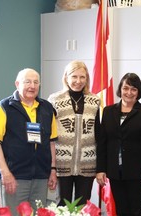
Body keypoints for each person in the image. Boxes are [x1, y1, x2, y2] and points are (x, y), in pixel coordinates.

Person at [0, 68, 58, 215]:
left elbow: (51, 142)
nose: (32, 86)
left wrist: (52, 170)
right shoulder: (5, 107)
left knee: (39, 213)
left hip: (41, 176)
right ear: (17, 84)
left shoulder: (47, 108)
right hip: (15, 177)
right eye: (27, 82)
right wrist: (5, 173)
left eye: (36, 82)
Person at [96, 73, 141, 216]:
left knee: (137, 210)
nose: (129, 92)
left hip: (138, 173)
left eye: (133, 89)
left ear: (138, 92)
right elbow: (103, 142)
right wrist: (100, 169)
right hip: (115, 172)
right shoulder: (108, 111)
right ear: (120, 89)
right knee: (121, 210)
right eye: (126, 88)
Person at [48, 60, 100, 206]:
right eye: (74, 77)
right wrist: (51, 166)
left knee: (82, 206)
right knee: (62, 206)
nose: (78, 81)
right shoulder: (54, 100)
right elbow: (49, 135)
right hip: (61, 163)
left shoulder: (94, 100)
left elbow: (98, 133)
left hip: (87, 164)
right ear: (66, 77)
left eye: (82, 77)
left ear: (87, 78)